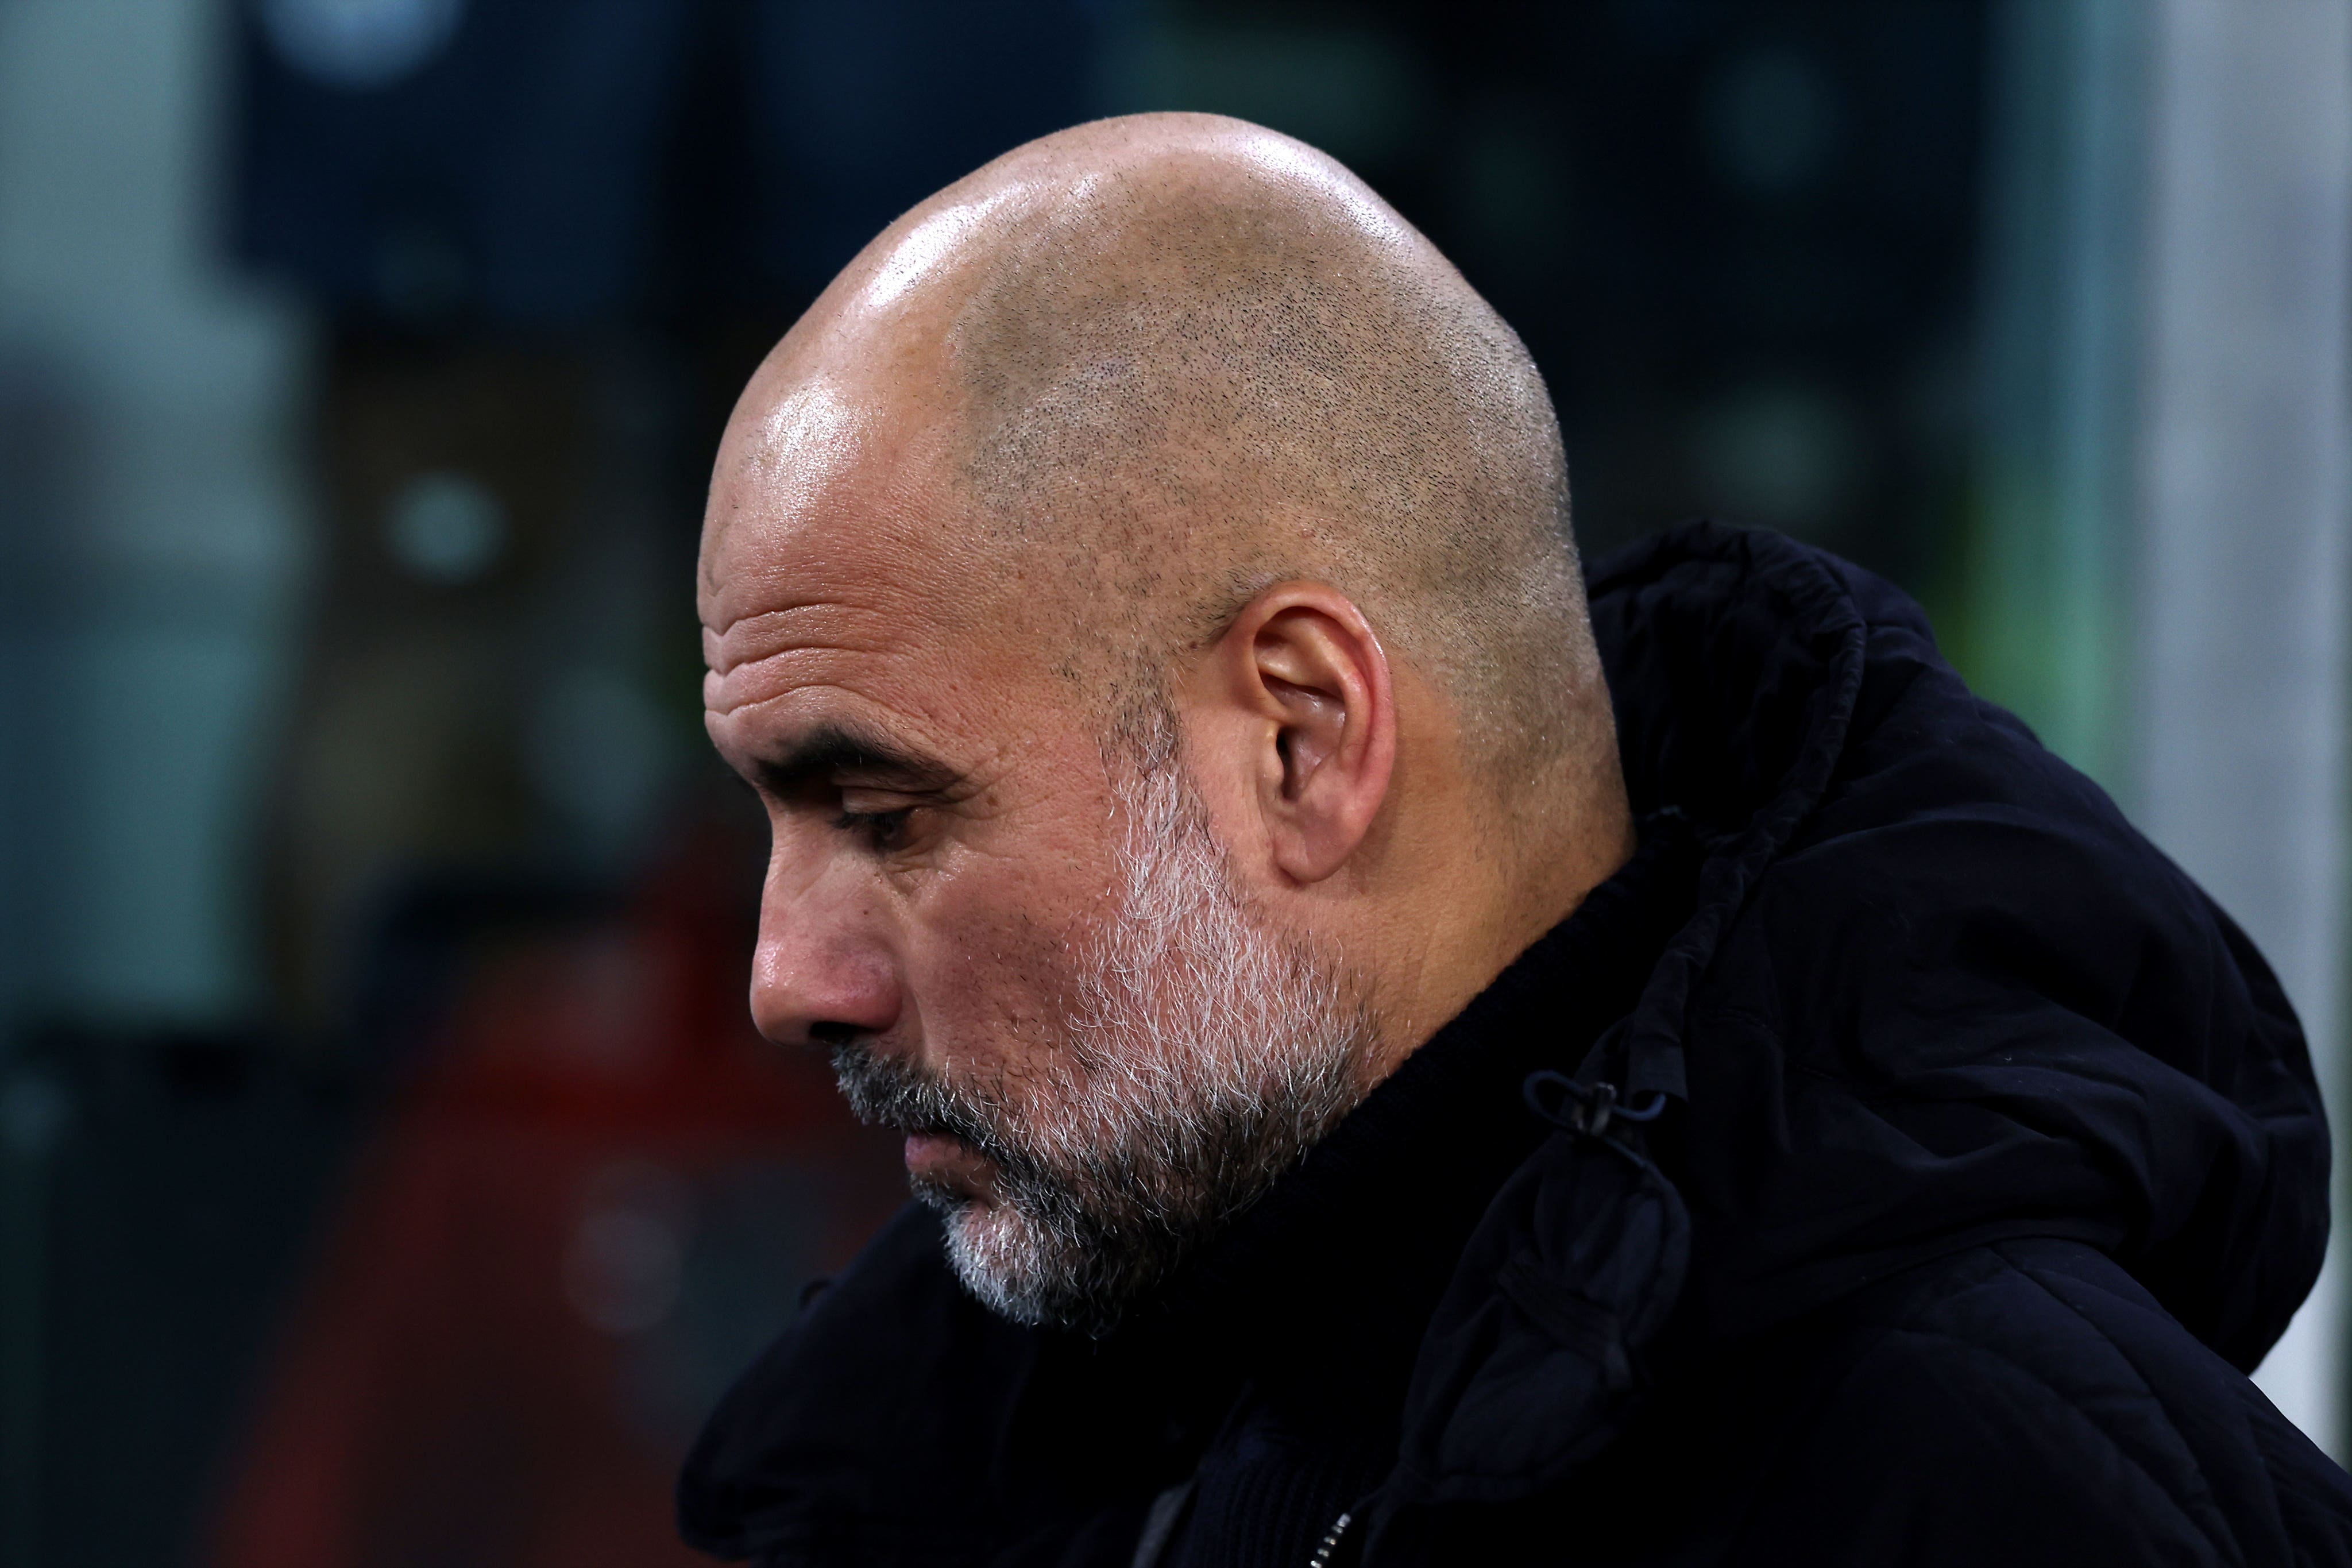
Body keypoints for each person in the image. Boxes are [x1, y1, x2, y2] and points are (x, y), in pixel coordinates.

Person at [677, 113, 2352, 1567]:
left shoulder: (1996, 1500)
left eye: (887, 817)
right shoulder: (1023, 1423)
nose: (785, 979)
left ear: (1303, 738)